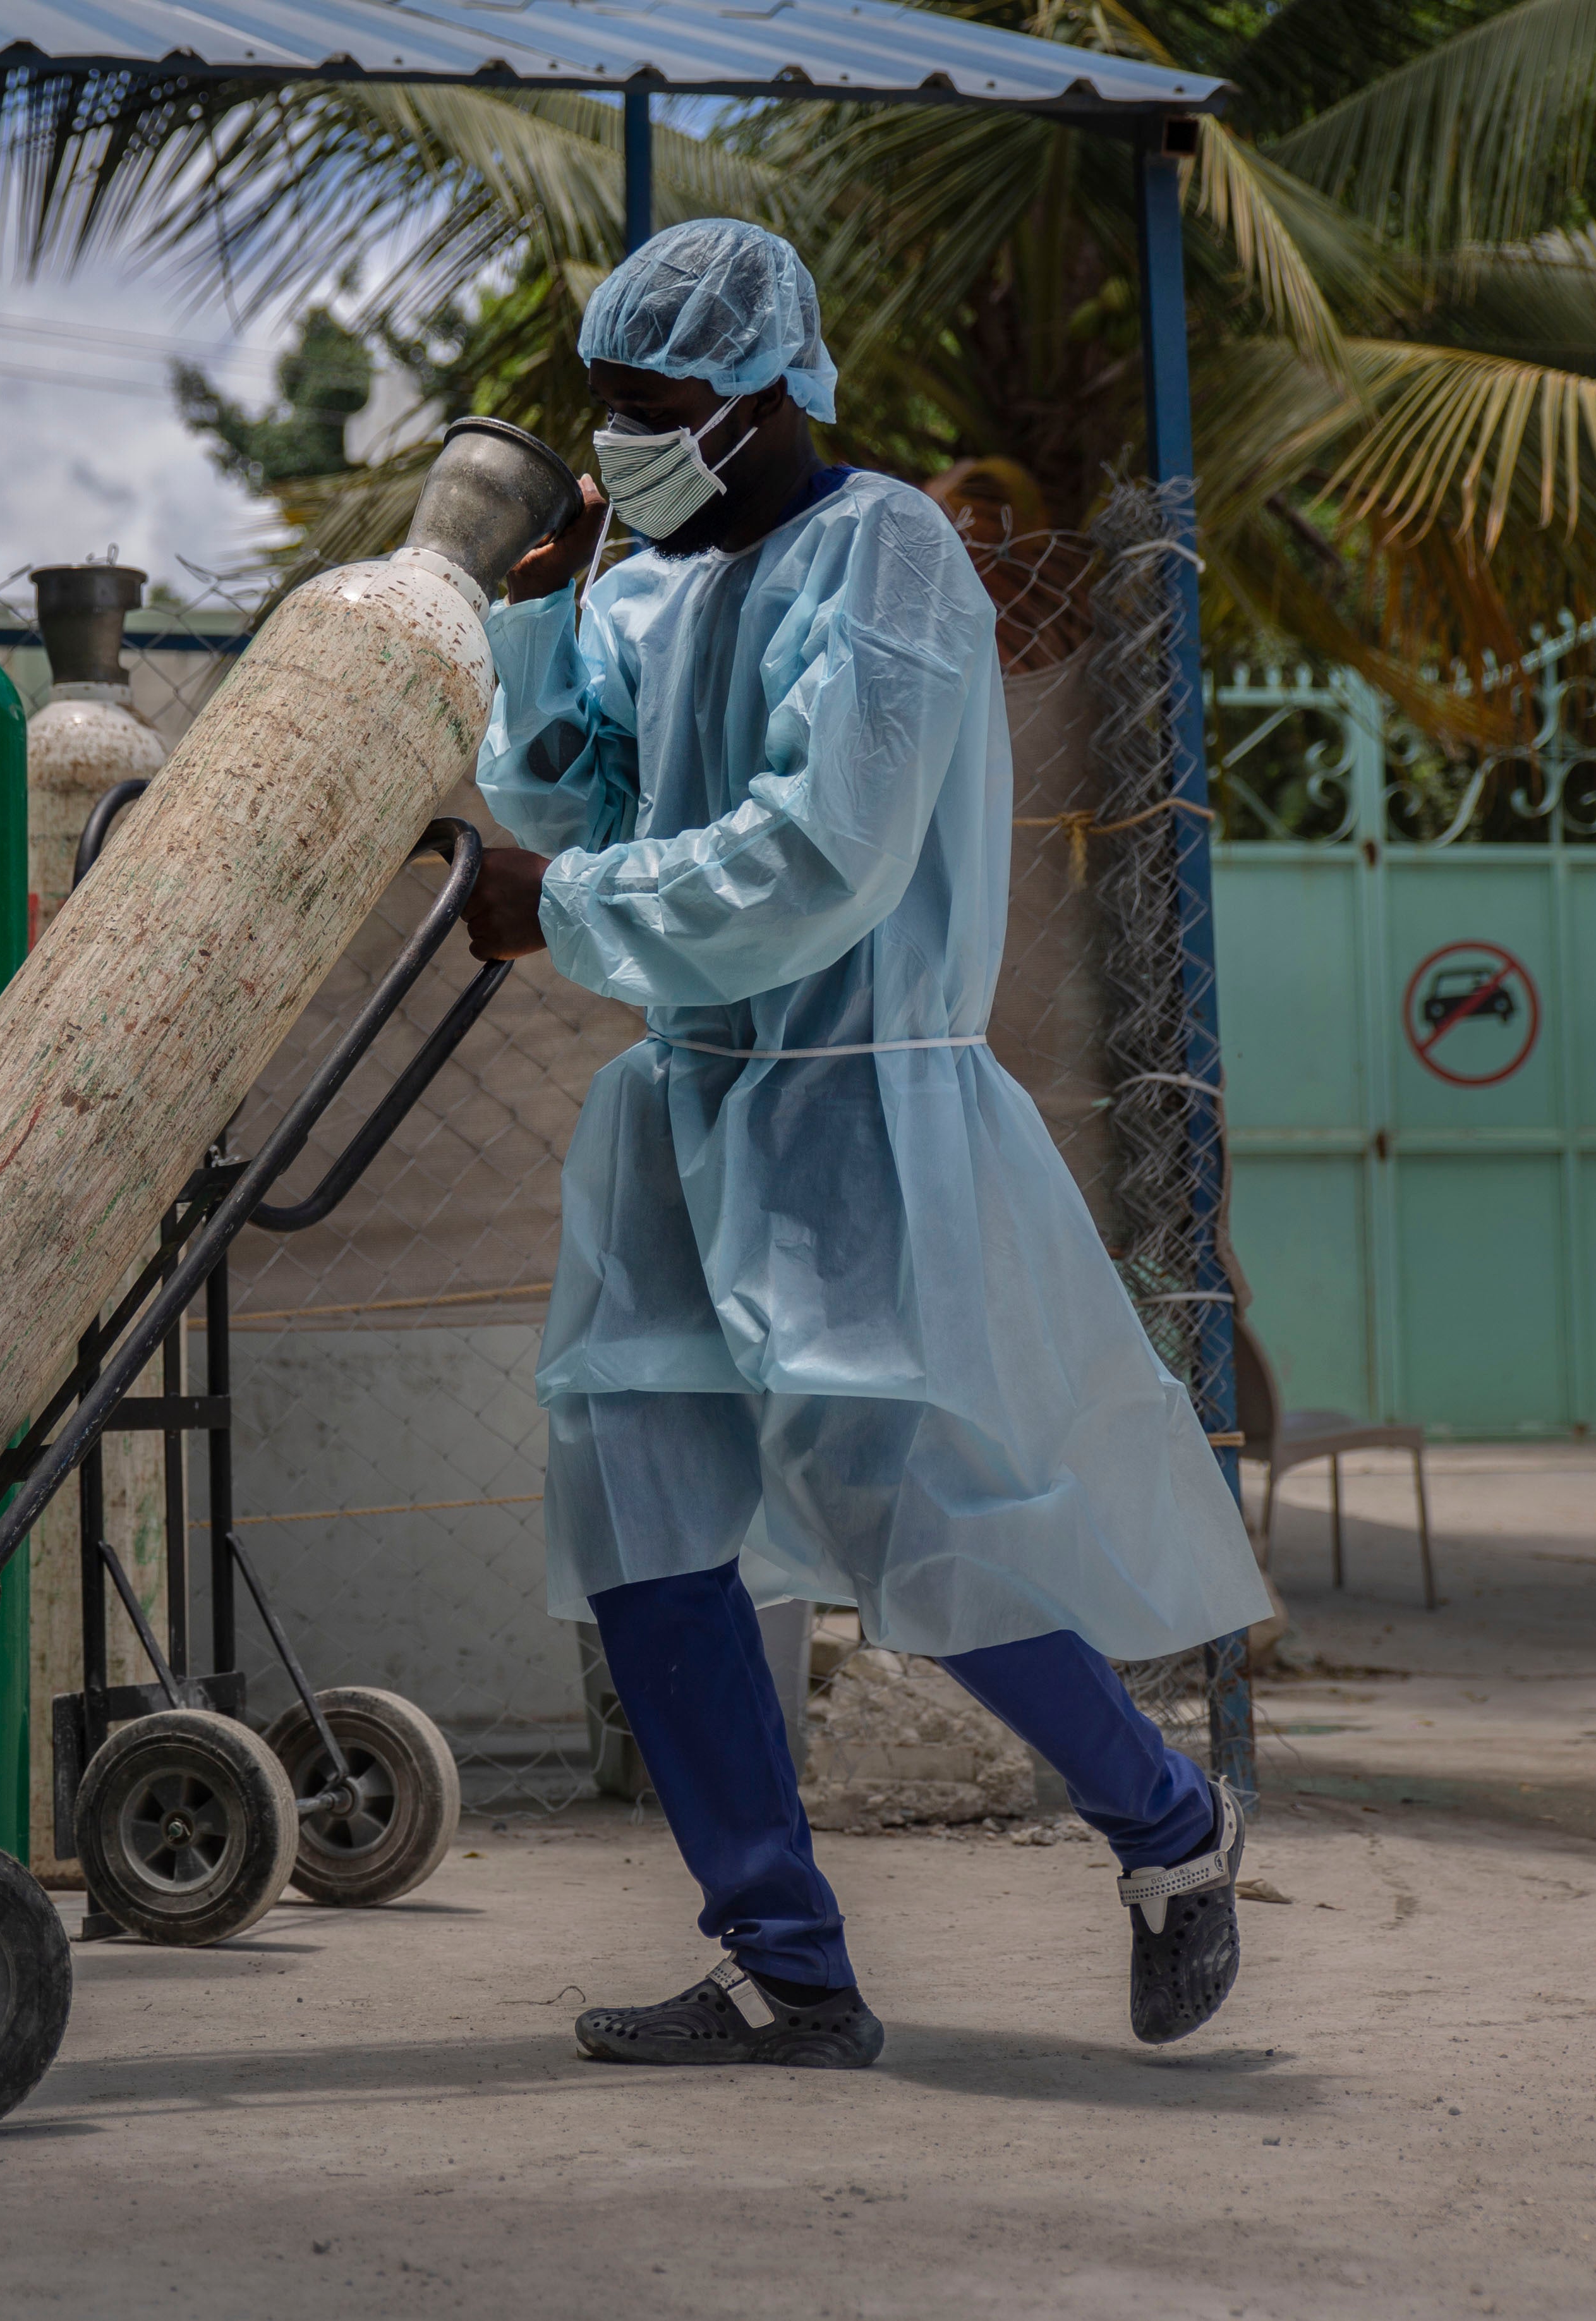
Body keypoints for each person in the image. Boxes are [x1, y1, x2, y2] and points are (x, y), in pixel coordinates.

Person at [462, 219, 1274, 2068]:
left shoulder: (887, 551)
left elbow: (824, 853)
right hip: (683, 1106)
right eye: (607, 409)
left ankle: (1169, 1826)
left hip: (857, 1106)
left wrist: (561, 907)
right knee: (636, 1504)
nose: (623, 443)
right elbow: (573, 802)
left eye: (654, 408)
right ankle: (788, 1965)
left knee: (908, 1523)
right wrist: (543, 622)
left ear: (761, 397)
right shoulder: (647, 587)